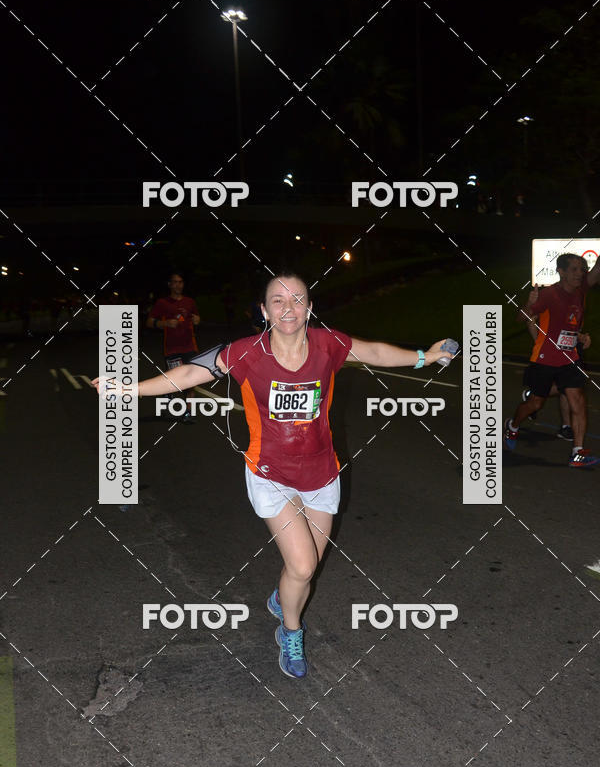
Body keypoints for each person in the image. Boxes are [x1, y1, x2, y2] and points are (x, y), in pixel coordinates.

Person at [95, 271, 453, 679]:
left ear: (309, 308)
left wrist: (425, 356)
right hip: (270, 473)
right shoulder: (245, 353)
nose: (288, 308)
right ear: (264, 311)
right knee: (301, 566)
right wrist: (129, 388)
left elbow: (373, 351)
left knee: (308, 566)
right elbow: (189, 374)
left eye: (297, 299)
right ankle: (290, 630)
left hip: (321, 473)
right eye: (278, 301)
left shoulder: (328, 344)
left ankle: (285, 598)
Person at [504, 253, 600, 467]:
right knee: (536, 402)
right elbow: (521, 318)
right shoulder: (549, 294)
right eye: (574, 269)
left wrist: (580, 337)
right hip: (545, 358)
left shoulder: (580, 291)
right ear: (562, 272)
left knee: (578, 399)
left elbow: (596, 271)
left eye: (581, 269)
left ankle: (577, 453)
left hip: (570, 357)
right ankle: (512, 425)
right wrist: (529, 304)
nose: (580, 274)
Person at [521, 321, 592, 441]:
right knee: (568, 386)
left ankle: (566, 427)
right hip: (553, 348)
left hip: (571, 345)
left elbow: (573, 325)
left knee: (569, 386)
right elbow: (531, 318)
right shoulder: (550, 302)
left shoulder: (580, 302)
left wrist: (582, 337)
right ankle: (533, 396)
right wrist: (539, 342)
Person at [147, 272, 200, 423]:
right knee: (176, 380)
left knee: (191, 379)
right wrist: (165, 323)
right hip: (172, 349)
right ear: (169, 285)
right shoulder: (162, 303)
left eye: (181, 282)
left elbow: (196, 317)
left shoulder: (190, 301)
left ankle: (188, 412)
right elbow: (149, 322)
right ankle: (167, 392)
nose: (178, 285)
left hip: (190, 346)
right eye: (175, 282)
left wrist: (197, 319)